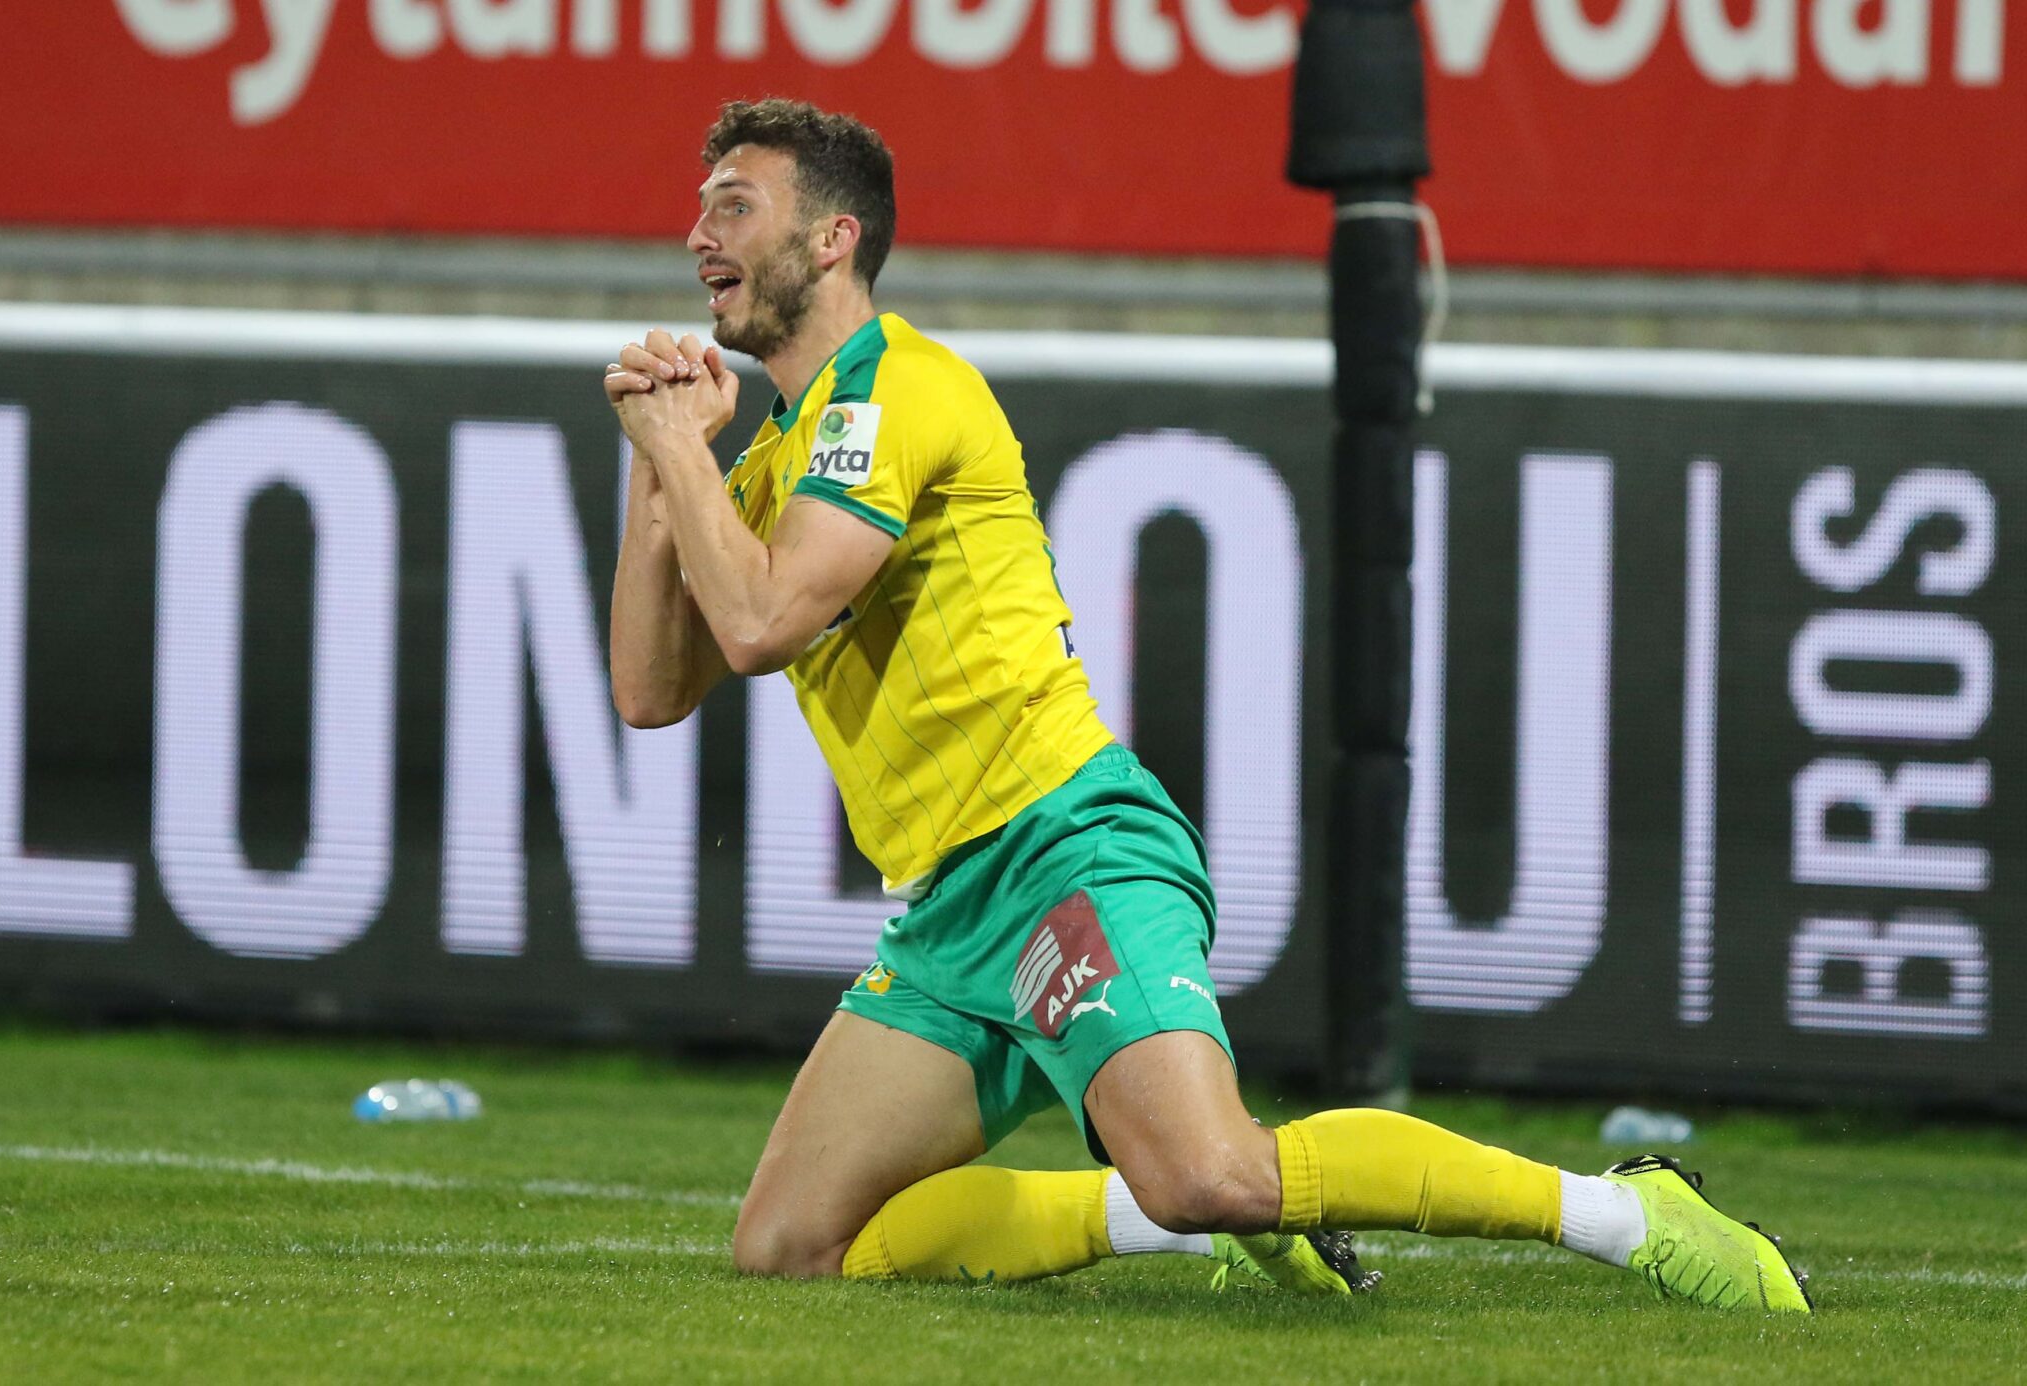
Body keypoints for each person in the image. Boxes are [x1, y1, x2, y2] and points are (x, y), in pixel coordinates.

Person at [603, 97, 1811, 1313]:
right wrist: (662, 470)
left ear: (832, 239)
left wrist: (684, 455)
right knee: (790, 1242)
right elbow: (651, 692)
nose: (699, 235)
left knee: (1215, 1170)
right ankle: (1168, 1223)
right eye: (701, 208)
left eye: (734, 206)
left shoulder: (892, 390)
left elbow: (759, 625)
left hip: (1058, 851)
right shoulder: (776, 454)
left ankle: (1622, 1211)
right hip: (949, 909)